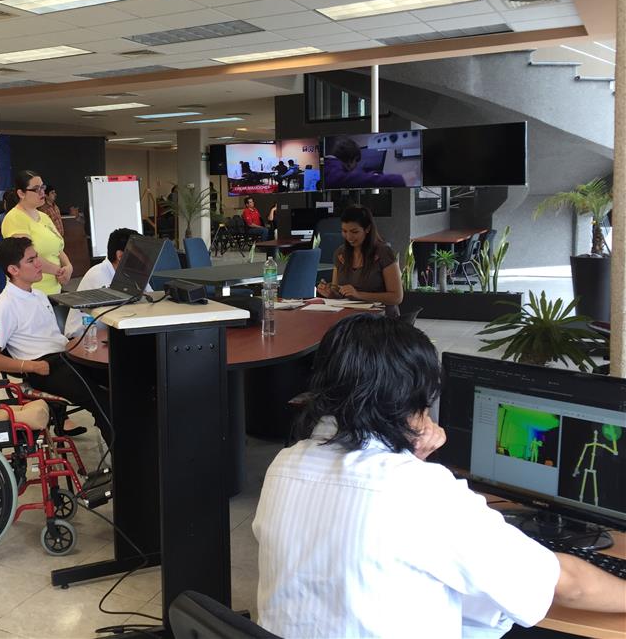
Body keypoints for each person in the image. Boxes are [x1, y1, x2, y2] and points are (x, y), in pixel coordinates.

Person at [253, 314, 626, 639]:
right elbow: (568, 585)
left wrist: (407, 454)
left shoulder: (285, 465)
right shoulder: (417, 493)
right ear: (414, 397)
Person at [0, 237, 111, 446]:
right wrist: (30, 366)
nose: (39, 263)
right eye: (31, 260)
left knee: (120, 380)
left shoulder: (39, 295)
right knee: (103, 401)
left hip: (64, 356)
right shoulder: (2, 306)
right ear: (14, 270)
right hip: (43, 367)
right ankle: (126, 469)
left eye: (37, 258)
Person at [64, 228, 151, 339]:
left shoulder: (132, 274)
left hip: (108, 334)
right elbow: (120, 316)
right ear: (120, 256)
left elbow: (151, 299)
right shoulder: (98, 275)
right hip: (83, 339)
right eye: (139, 256)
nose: (144, 260)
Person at [317, 205, 403, 317]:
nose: (349, 237)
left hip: (381, 320)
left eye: (354, 232)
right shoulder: (340, 254)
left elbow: (396, 297)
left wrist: (359, 295)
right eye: (344, 231)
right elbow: (337, 292)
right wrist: (330, 293)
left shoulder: (383, 253)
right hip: (349, 318)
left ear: (367, 229)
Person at [1, 170, 72, 295]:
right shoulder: (15, 218)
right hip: (30, 292)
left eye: (42, 187)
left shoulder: (44, 217)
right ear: (21, 193)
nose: (42, 193)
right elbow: (27, 256)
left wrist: (68, 267)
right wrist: (58, 271)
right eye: (36, 189)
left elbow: (58, 249)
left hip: (54, 290)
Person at [324, 135, 405, 189]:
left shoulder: (329, 165)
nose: (356, 165)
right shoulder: (332, 169)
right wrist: (402, 179)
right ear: (350, 161)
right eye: (356, 161)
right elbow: (354, 179)